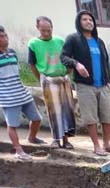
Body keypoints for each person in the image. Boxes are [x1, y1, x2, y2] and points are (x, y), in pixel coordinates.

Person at [61, 10, 110, 156]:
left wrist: (108, 81)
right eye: (85, 20)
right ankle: (96, 146)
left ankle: (106, 144)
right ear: (79, 23)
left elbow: (105, 62)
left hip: (103, 85)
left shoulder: (99, 42)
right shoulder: (73, 39)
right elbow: (64, 57)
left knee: (107, 117)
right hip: (85, 86)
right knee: (90, 118)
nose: (89, 22)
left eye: (91, 20)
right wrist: (77, 64)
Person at [0, 25, 43, 161]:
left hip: (21, 91)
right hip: (7, 96)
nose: (5, 38)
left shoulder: (12, 52)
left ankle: (32, 137)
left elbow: (16, 72)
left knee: (37, 118)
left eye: (5, 35)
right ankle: (18, 150)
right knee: (12, 124)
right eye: (1, 36)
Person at [28, 16, 75, 149]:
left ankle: (66, 140)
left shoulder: (59, 41)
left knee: (66, 109)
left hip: (63, 77)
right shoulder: (33, 44)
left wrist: (68, 71)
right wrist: (41, 78)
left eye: (49, 30)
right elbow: (32, 64)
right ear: (38, 28)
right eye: (43, 31)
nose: (47, 33)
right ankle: (56, 139)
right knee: (53, 111)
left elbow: (68, 57)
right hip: (48, 78)